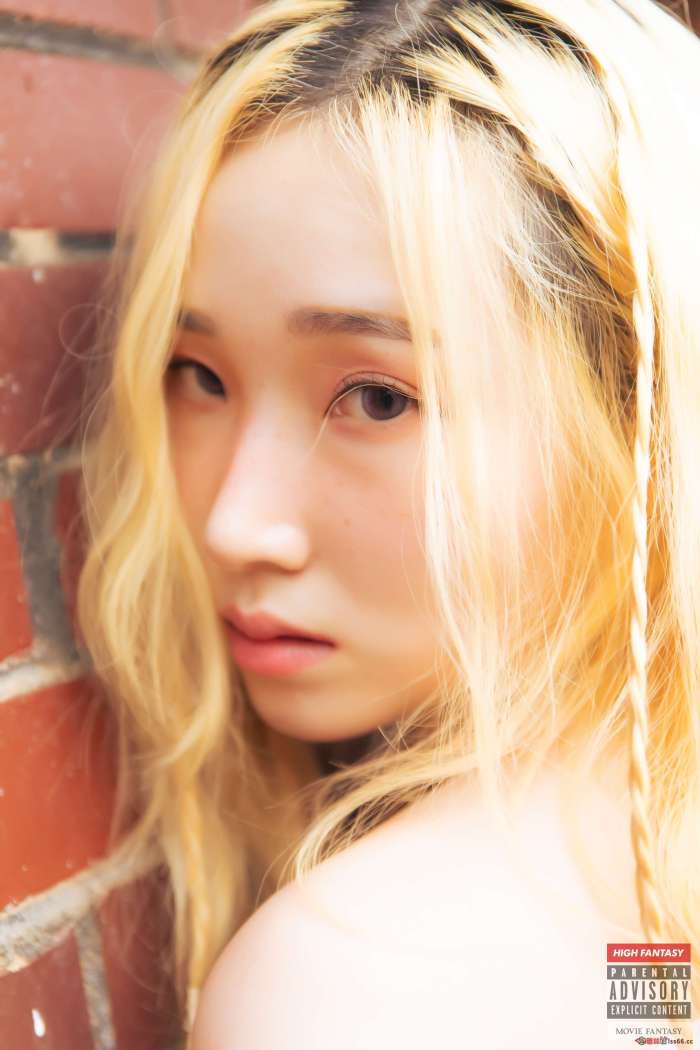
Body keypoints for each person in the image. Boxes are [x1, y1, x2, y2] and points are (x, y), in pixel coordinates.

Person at [74, 0, 700, 1046]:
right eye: (198, 374)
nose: (234, 526)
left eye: (374, 397)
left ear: (637, 418)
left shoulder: (349, 981)